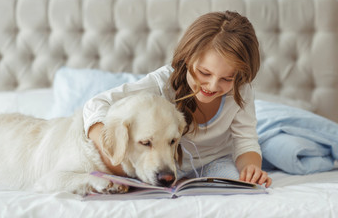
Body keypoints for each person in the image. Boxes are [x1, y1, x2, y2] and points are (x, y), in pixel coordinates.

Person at [83, 11, 272, 188]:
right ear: (187, 58)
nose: (213, 85)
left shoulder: (240, 91)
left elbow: (246, 142)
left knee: (237, 185)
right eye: (204, 72)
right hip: (164, 165)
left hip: (216, 162)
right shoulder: (161, 84)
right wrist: (112, 148)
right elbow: (95, 105)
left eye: (227, 78)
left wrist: (251, 168)